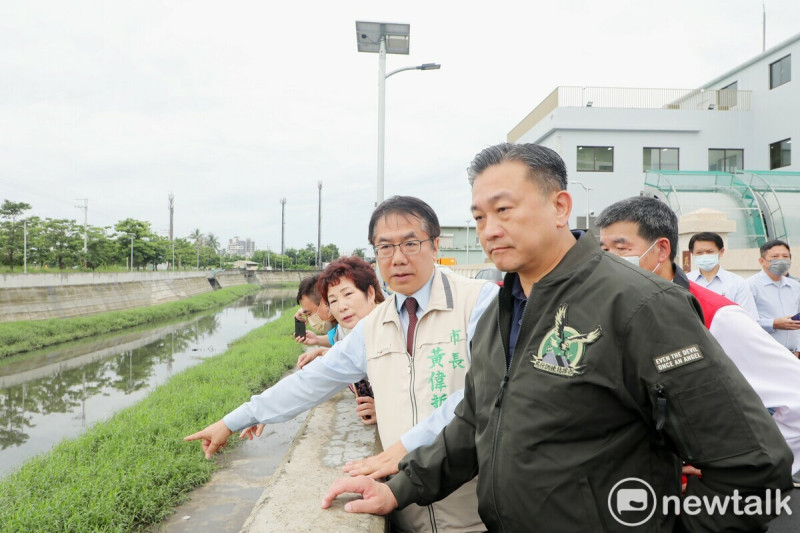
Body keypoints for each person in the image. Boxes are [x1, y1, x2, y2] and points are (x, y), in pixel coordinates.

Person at [322, 143, 792, 531]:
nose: (489, 230)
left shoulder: (640, 305)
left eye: (503, 209)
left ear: (559, 206)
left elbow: (753, 467)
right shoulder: (501, 309)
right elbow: (476, 420)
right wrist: (397, 487)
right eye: (479, 216)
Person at [186, 195, 499, 532]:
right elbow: (313, 381)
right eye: (385, 247)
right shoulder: (373, 326)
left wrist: (404, 447)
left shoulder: (480, 302)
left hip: (477, 510)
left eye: (410, 243)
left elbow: (481, 394)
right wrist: (233, 420)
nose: (398, 258)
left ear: (435, 245)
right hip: (405, 509)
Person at [596, 196, 800, 477]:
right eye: (604, 249)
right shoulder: (604, 307)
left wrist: (735, 470)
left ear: (661, 249)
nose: (609, 259)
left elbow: (795, 394)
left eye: (621, 248)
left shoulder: (715, 315)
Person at [296, 256, 384, 424]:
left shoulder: (391, 327)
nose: (342, 306)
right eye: (334, 300)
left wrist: (384, 410)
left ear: (370, 293)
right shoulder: (343, 328)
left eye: (348, 294)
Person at [687, 231, 758, 319]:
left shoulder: (737, 283)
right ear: (692, 253)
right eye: (699, 252)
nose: (704, 255)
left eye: (710, 252)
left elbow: (750, 317)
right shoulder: (685, 281)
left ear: (721, 252)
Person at [748, 240, 800, 357]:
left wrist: (798, 350)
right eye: (775, 256)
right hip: (764, 355)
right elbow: (745, 321)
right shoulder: (749, 286)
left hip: (794, 355)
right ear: (762, 261)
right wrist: (773, 323)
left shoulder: (796, 286)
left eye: (785, 256)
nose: (781, 260)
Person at [293, 274, 334, 348]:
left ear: (325, 303)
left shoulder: (350, 322)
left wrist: (321, 352)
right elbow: (338, 339)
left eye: (309, 314)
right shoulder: (339, 327)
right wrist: (317, 339)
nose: (309, 318)